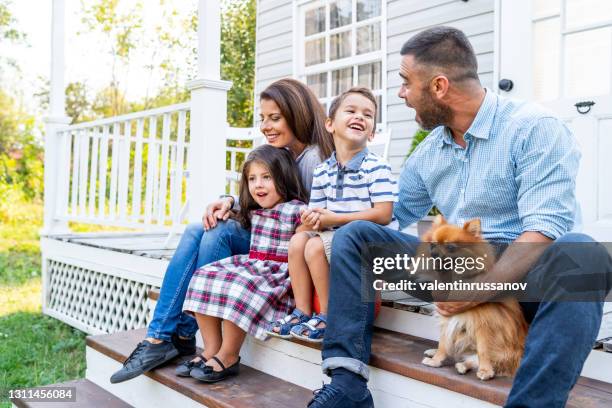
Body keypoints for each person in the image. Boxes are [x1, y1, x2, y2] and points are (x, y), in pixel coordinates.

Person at [308, 26, 612, 408]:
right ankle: (347, 384)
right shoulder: (429, 152)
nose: (401, 94)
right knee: (357, 236)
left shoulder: (534, 128)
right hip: (449, 268)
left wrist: (473, 291)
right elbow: (392, 214)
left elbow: (544, 228)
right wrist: (299, 214)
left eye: (405, 82)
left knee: (584, 255)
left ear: (438, 86)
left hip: (524, 278)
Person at [110, 78, 333, 384]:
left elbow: (301, 214)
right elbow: (263, 197)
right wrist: (230, 201)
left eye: (275, 118)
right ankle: (161, 337)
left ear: (297, 114)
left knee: (215, 234)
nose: (266, 126)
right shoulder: (278, 150)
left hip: (287, 252)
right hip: (265, 238)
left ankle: (190, 337)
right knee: (196, 229)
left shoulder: (312, 159)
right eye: (263, 118)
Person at [267, 87, 397, 344]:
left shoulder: (377, 167)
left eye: (367, 115)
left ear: (371, 133)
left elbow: (383, 214)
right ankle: (302, 311)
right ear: (330, 124)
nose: (360, 116)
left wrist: (332, 219)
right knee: (298, 241)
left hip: (367, 241)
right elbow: (316, 213)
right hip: (334, 234)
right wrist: (310, 220)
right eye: (351, 111)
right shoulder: (323, 170)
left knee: (314, 245)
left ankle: (328, 315)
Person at [178, 144, 308, 382]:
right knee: (204, 275)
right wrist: (226, 203)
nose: (258, 184)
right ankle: (210, 349)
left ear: (284, 177)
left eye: (266, 177)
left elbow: (304, 248)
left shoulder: (298, 210)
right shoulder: (254, 210)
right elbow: (236, 210)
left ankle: (229, 355)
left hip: (277, 275)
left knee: (240, 286)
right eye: (252, 178)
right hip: (254, 265)